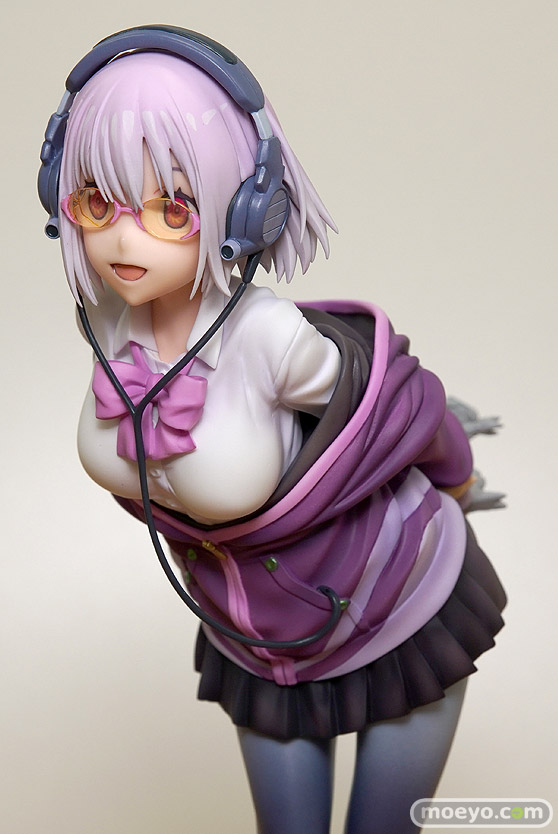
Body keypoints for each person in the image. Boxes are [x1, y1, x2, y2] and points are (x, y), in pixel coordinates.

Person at [42, 27, 506, 834]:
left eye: (170, 208)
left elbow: (397, 401)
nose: (122, 237)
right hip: (255, 636)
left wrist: (456, 474)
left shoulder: (267, 338)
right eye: (95, 201)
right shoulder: (107, 321)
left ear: (249, 207)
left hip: (394, 602)